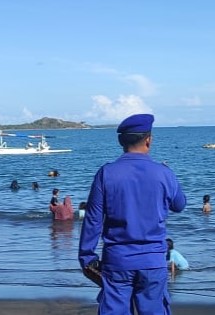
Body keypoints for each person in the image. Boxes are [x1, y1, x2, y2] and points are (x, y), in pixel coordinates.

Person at [78, 114, 186, 315]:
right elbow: (179, 205)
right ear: (148, 139)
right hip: (152, 261)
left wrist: (86, 256)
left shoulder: (106, 173)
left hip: (117, 260)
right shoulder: (163, 173)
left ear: (121, 141)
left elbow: (93, 219)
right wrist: (170, 176)